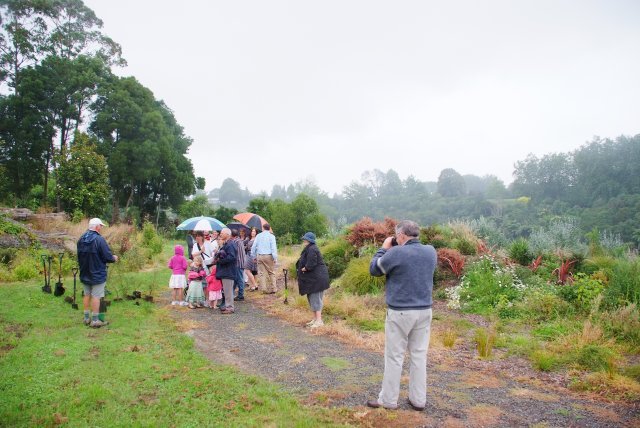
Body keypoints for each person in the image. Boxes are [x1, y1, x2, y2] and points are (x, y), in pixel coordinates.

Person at [366, 220, 437, 412]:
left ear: (402, 235)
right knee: (419, 356)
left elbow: (375, 269)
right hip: (424, 310)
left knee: (394, 357)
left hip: (400, 311)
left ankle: (388, 400)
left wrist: (383, 249)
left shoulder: (396, 252)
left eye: (397, 236)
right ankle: (418, 400)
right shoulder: (431, 251)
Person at [77, 218, 118, 328]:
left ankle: (86, 318)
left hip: (84, 272)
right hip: (97, 273)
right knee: (96, 296)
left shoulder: (81, 239)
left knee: (86, 294)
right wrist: (114, 258)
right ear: (96, 227)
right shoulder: (99, 240)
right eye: (100, 226)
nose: (101, 228)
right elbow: (107, 257)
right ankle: (95, 321)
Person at [296, 232, 330, 328]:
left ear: (309, 240)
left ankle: (319, 321)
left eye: (305, 239)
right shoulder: (310, 248)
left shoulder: (312, 249)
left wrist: (304, 268)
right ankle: (315, 319)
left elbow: (311, 263)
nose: (304, 240)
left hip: (317, 279)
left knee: (316, 299)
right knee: (312, 298)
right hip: (314, 278)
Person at [250, 223, 278, 294]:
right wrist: (275, 258)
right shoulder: (272, 236)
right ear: (269, 228)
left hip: (260, 256)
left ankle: (264, 289)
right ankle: (274, 288)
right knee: (271, 272)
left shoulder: (258, 236)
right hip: (269, 256)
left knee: (262, 273)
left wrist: (253, 256)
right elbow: (273, 248)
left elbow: (254, 246)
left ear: (263, 228)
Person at [215, 228, 237, 314]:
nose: (220, 234)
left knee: (228, 290)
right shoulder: (226, 244)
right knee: (226, 290)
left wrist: (220, 261)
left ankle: (230, 307)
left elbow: (232, 257)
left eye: (222, 233)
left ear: (228, 234)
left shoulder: (230, 244)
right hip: (225, 270)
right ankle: (228, 305)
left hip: (228, 270)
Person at [230, 229, 247, 301]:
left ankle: (241, 295)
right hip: (242, 262)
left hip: (238, 262)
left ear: (231, 235)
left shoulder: (235, 241)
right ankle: (233, 293)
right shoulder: (239, 240)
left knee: (239, 279)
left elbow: (233, 252)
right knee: (237, 279)